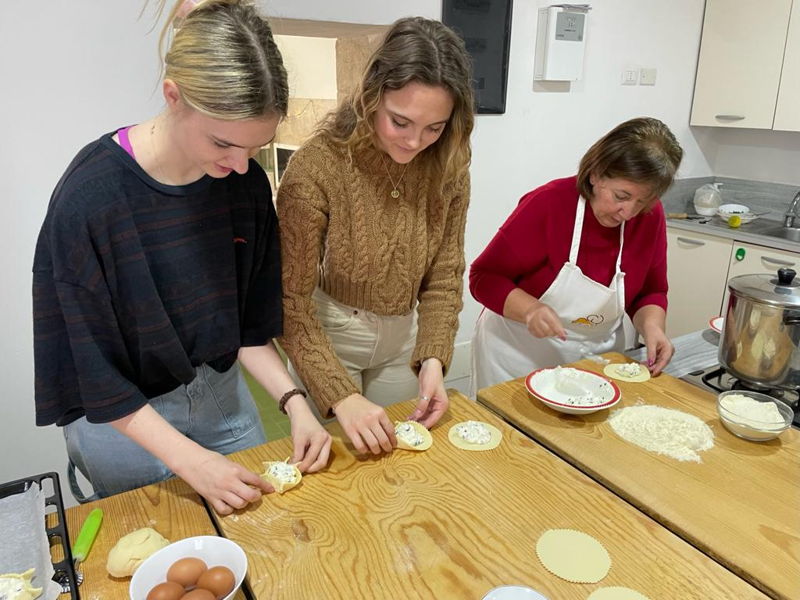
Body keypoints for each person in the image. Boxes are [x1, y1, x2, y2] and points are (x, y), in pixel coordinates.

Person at [32, 0, 331, 515]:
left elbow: (248, 328)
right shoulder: (92, 200)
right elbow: (92, 374)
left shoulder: (243, 185)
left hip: (218, 394)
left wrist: (295, 402)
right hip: (124, 419)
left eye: (255, 148)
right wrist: (193, 462)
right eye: (222, 143)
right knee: (153, 547)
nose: (239, 166)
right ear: (174, 97)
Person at [276, 17, 474, 456]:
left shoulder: (450, 166)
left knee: (400, 458)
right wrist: (339, 395)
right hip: (329, 337)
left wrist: (434, 359)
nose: (415, 142)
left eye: (434, 127)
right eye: (399, 121)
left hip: (402, 339)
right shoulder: (318, 166)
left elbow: (444, 274)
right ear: (371, 96)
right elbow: (290, 299)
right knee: (334, 463)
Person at [469, 117, 683, 394]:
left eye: (642, 201)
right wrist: (530, 309)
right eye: (621, 196)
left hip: (595, 362)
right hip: (518, 358)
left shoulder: (650, 218)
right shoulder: (548, 204)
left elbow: (651, 291)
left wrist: (652, 328)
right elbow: (484, 277)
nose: (628, 213)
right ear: (596, 174)